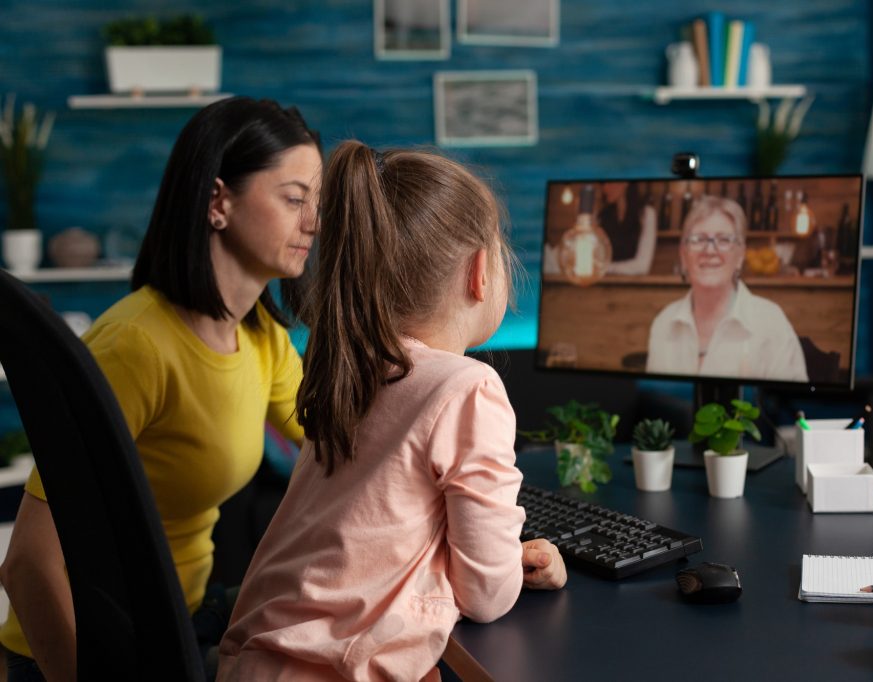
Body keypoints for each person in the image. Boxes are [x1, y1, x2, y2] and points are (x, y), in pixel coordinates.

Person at [217, 141, 567, 681]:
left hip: (257, 661)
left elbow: (375, 534)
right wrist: (507, 567)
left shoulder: (350, 371)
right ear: (479, 273)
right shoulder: (469, 387)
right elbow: (487, 596)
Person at [0, 96, 321, 681]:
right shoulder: (137, 347)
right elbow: (26, 565)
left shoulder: (261, 339)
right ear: (218, 201)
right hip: (80, 653)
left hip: (179, 620)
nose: (314, 222)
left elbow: (341, 443)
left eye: (315, 202)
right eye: (295, 198)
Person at [646, 195, 807, 381]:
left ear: (740, 256)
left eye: (723, 240)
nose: (710, 251)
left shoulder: (771, 324)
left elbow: (792, 407)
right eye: (698, 239)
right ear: (683, 255)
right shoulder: (664, 323)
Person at [601, 181, 657, 276]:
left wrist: (607, 268)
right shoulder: (602, 217)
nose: (605, 188)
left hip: (633, 288)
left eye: (609, 182)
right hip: (603, 288)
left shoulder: (646, 214)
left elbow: (642, 266)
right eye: (603, 183)